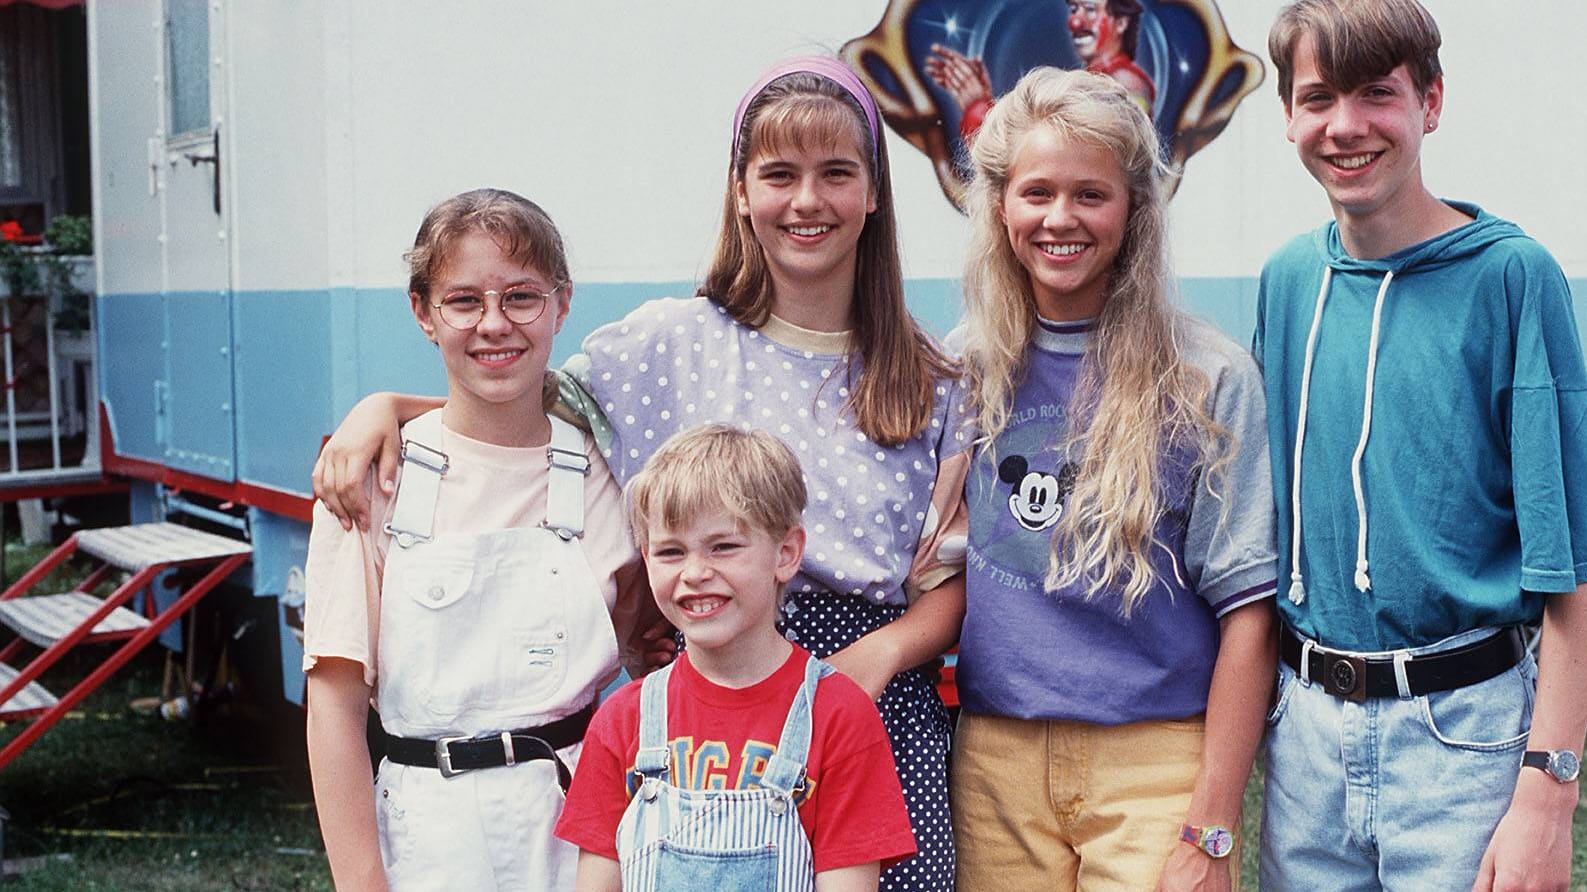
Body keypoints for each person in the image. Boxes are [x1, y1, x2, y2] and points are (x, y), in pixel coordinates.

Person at [311, 56, 970, 891]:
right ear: (739, 191)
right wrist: (387, 408)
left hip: (870, 706)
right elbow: (510, 387)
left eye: (835, 174)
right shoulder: (664, 347)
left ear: (873, 193)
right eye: (778, 174)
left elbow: (949, 580)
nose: (806, 201)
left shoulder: (930, 378)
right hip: (708, 713)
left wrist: (877, 658)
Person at [1255, 2, 1587, 889]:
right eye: (1317, 97)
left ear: (1429, 102)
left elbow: (1569, 566)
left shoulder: (1513, 279)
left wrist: (1547, 797)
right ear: (1287, 114)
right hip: (1306, 744)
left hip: (1461, 740)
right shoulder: (1289, 280)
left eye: (1378, 94)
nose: (1346, 126)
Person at [949, 68, 1276, 891]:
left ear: (1133, 210)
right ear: (999, 206)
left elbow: (1249, 613)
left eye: (1090, 195)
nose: (1060, 218)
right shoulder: (959, 370)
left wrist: (1209, 826)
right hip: (995, 758)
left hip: (1157, 759)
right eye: (1037, 193)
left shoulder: (1205, 377)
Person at [302, 189, 651, 890]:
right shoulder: (370, 482)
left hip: (584, 838)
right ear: (423, 313)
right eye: (464, 301)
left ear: (562, 303)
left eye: (521, 297)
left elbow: (645, 640)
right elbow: (334, 710)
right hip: (428, 836)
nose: (495, 324)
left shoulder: (611, 472)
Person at [556, 424, 918, 891]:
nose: (695, 573)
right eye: (670, 551)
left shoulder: (838, 717)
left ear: (786, 553)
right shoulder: (623, 720)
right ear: (645, 559)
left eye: (723, 546)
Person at [926, 0, 1155, 142]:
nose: (1076, 21)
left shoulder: (1126, 82)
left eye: (1090, 10)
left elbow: (1082, 162)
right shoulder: (1097, 80)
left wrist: (979, 111)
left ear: (1122, 22)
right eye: (1075, 9)